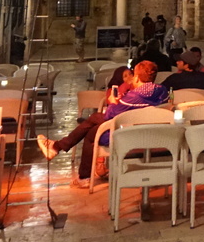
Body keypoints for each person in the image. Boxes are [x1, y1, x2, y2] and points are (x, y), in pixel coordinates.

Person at [37, 60, 170, 187]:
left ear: (136, 78)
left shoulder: (133, 97)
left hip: (128, 137)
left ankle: (68, 159)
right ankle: (59, 149)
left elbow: (109, 115)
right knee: (93, 126)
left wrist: (113, 101)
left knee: (93, 125)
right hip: (153, 134)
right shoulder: (162, 91)